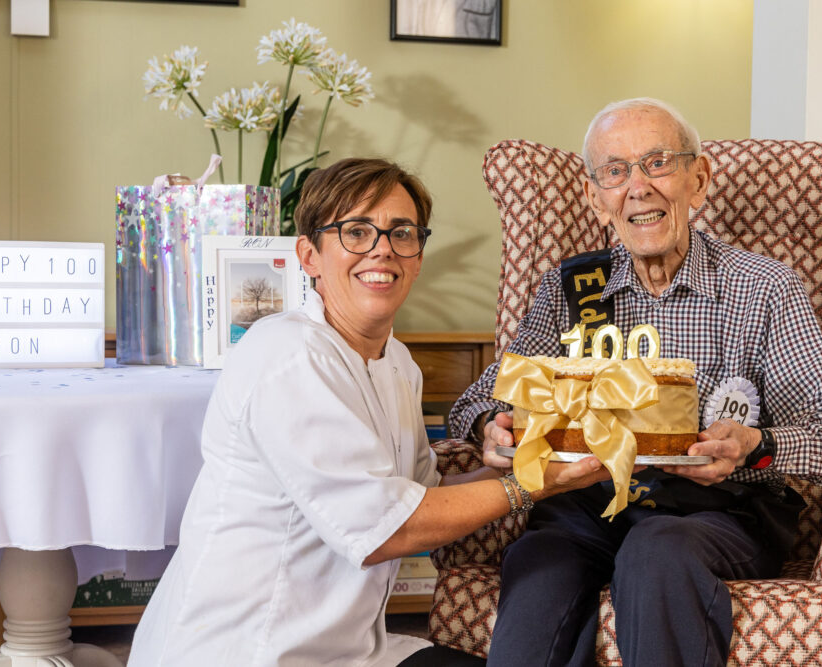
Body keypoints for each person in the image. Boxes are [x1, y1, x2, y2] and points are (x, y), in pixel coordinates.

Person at [448, 98, 822, 666]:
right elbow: (478, 401)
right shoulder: (573, 289)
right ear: (595, 196)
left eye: (657, 163)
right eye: (615, 170)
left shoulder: (763, 288)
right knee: (538, 563)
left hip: (716, 513)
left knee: (657, 551)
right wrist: (493, 428)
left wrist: (756, 445)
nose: (638, 186)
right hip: (587, 505)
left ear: (698, 180)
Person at [127, 158, 610, 667]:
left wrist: (537, 462)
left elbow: (421, 498)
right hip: (248, 649)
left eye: (401, 232)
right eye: (356, 231)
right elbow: (389, 529)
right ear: (309, 255)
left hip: (348, 651)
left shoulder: (396, 362)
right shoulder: (288, 355)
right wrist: (535, 485)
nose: (382, 247)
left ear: (418, 256)